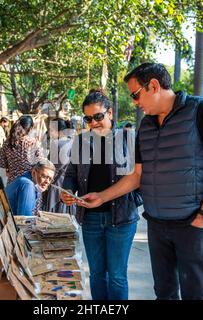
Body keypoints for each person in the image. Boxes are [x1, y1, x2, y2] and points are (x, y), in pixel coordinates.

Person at [79, 62, 203, 300]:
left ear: (153, 85)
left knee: (194, 292)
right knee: (164, 292)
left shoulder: (200, 110)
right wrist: (101, 196)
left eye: (135, 94)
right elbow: (137, 176)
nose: (134, 102)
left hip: (192, 225)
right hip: (157, 225)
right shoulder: (146, 126)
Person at [61, 89, 140, 300]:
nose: (94, 123)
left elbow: (140, 178)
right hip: (90, 219)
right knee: (96, 274)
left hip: (121, 219)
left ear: (110, 113)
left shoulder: (129, 139)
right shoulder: (81, 141)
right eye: (88, 119)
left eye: (98, 116)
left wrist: (134, 200)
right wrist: (68, 191)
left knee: (116, 276)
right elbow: (71, 174)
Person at [43, 118, 75, 214]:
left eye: (51, 130)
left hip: (56, 183)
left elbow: (51, 167)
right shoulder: (73, 142)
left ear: (59, 131)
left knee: (55, 215)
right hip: (70, 184)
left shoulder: (56, 144)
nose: (50, 133)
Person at [0, 115, 43, 183]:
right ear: (30, 128)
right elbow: (40, 164)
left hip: (12, 182)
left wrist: (9, 167)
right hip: (28, 182)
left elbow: (1, 162)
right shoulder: (33, 143)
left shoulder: (8, 142)